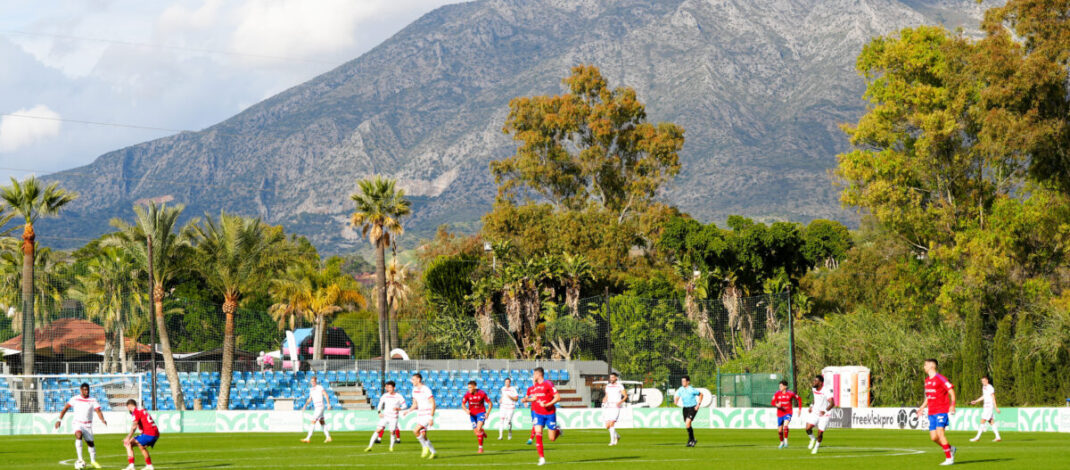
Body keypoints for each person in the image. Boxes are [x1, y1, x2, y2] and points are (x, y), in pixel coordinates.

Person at [55, 383, 107, 469]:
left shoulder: (92, 400)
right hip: (77, 423)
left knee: (90, 444)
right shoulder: (75, 399)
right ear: (81, 390)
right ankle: (80, 459)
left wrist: (102, 419)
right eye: (85, 390)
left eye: (88, 390)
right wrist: (59, 420)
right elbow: (65, 408)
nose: (87, 391)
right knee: (78, 435)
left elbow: (98, 411)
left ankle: (93, 461)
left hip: (88, 425)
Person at [918, 358, 957, 465]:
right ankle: (951, 448)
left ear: (931, 366)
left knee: (940, 434)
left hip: (941, 410)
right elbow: (929, 396)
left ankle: (949, 458)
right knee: (934, 437)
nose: (924, 367)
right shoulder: (927, 380)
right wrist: (922, 407)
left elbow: (951, 392)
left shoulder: (941, 378)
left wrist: (952, 405)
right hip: (931, 412)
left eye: (925, 365)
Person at [521, 367, 561, 466]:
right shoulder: (535, 386)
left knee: (552, 438)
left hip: (550, 413)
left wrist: (547, 404)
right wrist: (527, 400)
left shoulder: (548, 383)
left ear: (539, 374)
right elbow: (535, 398)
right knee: (538, 434)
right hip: (538, 413)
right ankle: (542, 458)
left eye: (534, 374)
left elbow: (558, 397)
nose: (533, 376)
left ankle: (558, 430)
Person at [403, 373, 437, 459]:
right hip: (420, 414)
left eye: (413, 379)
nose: (412, 381)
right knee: (423, 435)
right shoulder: (414, 390)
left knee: (415, 430)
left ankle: (424, 447)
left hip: (427, 414)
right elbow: (415, 404)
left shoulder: (426, 389)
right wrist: (408, 411)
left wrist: (431, 417)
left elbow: (433, 403)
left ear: (418, 380)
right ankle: (433, 451)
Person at [366, 381, 406, 452]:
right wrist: (379, 412)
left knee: (392, 432)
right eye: (388, 387)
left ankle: (391, 447)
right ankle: (369, 446)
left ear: (394, 388)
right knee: (378, 430)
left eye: (390, 387)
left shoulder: (399, 396)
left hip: (393, 417)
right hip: (385, 416)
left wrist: (399, 408)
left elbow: (404, 406)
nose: (389, 389)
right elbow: (380, 404)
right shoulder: (385, 395)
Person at [122, 399, 159, 470]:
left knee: (127, 443)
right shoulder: (142, 410)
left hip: (149, 434)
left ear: (129, 406)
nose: (128, 410)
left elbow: (134, 426)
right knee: (141, 446)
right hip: (155, 434)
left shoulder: (136, 411)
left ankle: (131, 466)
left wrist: (128, 437)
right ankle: (149, 466)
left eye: (128, 408)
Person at [805, 375, 834, 454]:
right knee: (807, 428)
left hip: (824, 414)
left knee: (820, 433)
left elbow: (832, 403)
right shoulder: (814, 389)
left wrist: (825, 411)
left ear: (820, 383)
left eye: (815, 381)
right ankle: (812, 439)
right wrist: (811, 406)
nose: (814, 382)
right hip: (815, 412)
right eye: (814, 380)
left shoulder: (826, 391)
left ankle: (816, 447)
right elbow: (815, 398)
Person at [462, 380, 493, 453]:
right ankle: (482, 431)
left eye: (470, 387)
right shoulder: (467, 394)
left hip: (481, 413)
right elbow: (463, 404)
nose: (469, 389)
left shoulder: (482, 393)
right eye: (468, 387)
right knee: (476, 432)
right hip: (472, 415)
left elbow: (490, 403)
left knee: (478, 429)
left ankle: (480, 448)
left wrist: (487, 413)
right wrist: (466, 410)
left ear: (475, 387)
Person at [299, 376, 332, 443]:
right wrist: (305, 405)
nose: (312, 382)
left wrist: (328, 404)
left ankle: (308, 438)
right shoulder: (311, 389)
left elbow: (326, 395)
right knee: (322, 422)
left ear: (316, 381)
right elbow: (310, 399)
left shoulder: (319, 387)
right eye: (311, 381)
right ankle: (328, 437)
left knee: (313, 421)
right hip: (317, 407)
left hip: (320, 406)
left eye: (313, 381)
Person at [969, 375, 1001, 442]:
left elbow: (993, 397)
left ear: (987, 381)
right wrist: (976, 401)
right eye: (982, 381)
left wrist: (996, 407)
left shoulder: (990, 387)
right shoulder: (984, 387)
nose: (983, 382)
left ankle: (977, 437)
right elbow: (984, 396)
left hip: (989, 406)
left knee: (982, 420)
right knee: (991, 421)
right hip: (986, 406)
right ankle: (998, 437)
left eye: (984, 381)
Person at [771, 380, 802, 449]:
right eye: (779, 386)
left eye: (781, 386)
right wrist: (777, 405)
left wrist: (799, 409)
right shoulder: (777, 393)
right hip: (780, 413)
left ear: (785, 386)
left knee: (785, 426)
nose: (780, 387)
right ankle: (781, 442)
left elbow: (799, 399)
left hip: (788, 412)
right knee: (780, 431)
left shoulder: (790, 393)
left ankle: (786, 440)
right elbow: (772, 402)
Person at [672, 376, 701, 447]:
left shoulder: (691, 389)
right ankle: (691, 439)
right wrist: (676, 400)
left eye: (684, 381)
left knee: (688, 423)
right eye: (682, 381)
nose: (682, 382)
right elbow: (677, 396)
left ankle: (692, 440)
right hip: (685, 408)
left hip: (692, 407)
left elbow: (701, 394)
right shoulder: (681, 389)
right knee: (687, 425)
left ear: (688, 382)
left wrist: (698, 405)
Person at [602, 372, 628, 446]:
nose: (611, 379)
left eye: (613, 377)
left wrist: (620, 402)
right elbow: (607, 395)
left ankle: (612, 441)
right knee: (607, 426)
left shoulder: (620, 386)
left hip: (616, 407)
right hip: (608, 406)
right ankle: (617, 436)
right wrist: (604, 399)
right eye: (610, 377)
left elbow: (625, 396)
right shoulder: (608, 386)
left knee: (612, 423)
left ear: (616, 378)